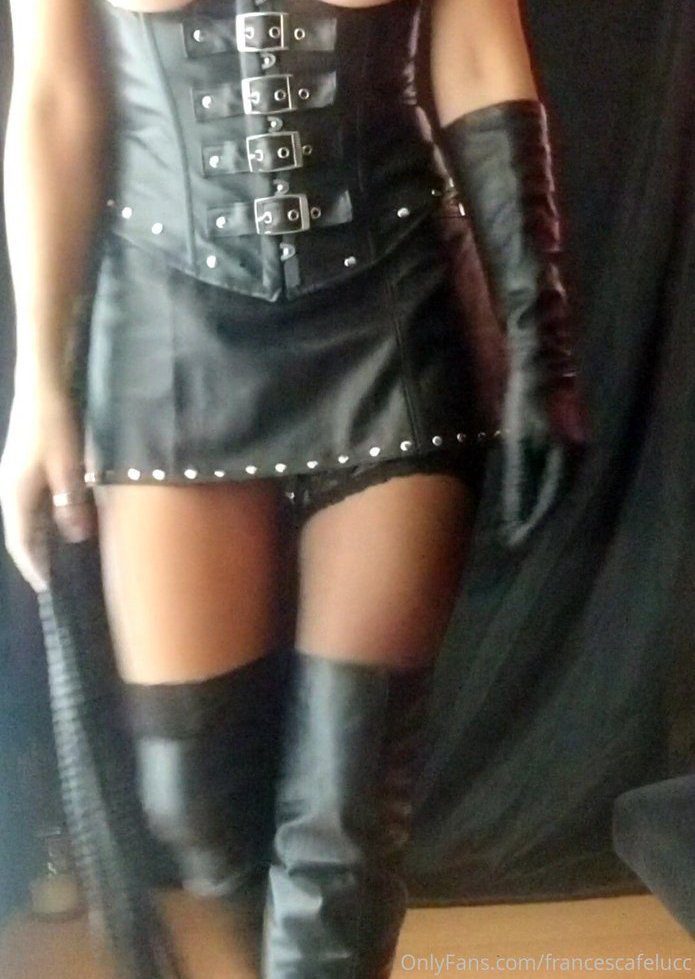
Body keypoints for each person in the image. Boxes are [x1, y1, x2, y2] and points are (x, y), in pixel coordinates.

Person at [0, 0, 589, 976]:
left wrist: (539, 336)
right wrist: (39, 389)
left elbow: (481, 56)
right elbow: (57, 98)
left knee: (342, 825)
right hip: (167, 333)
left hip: (391, 321)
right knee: (195, 800)